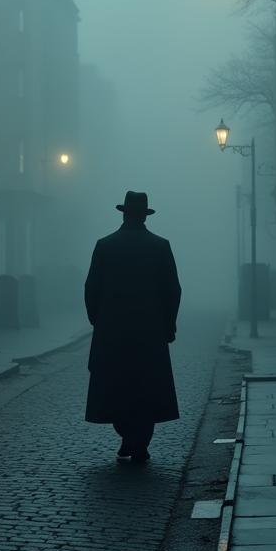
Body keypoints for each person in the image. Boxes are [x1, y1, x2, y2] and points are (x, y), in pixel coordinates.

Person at [83, 190, 182, 463]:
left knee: (116, 387)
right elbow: (173, 290)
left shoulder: (105, 245)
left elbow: (91, 288)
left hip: (112, 333)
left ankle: (128, 437)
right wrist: (169, 324)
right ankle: (138, 441)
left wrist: (97, 320)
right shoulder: (160, 246)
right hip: (150, 333)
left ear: (124, 213)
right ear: (144, 215)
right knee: (147, 387)